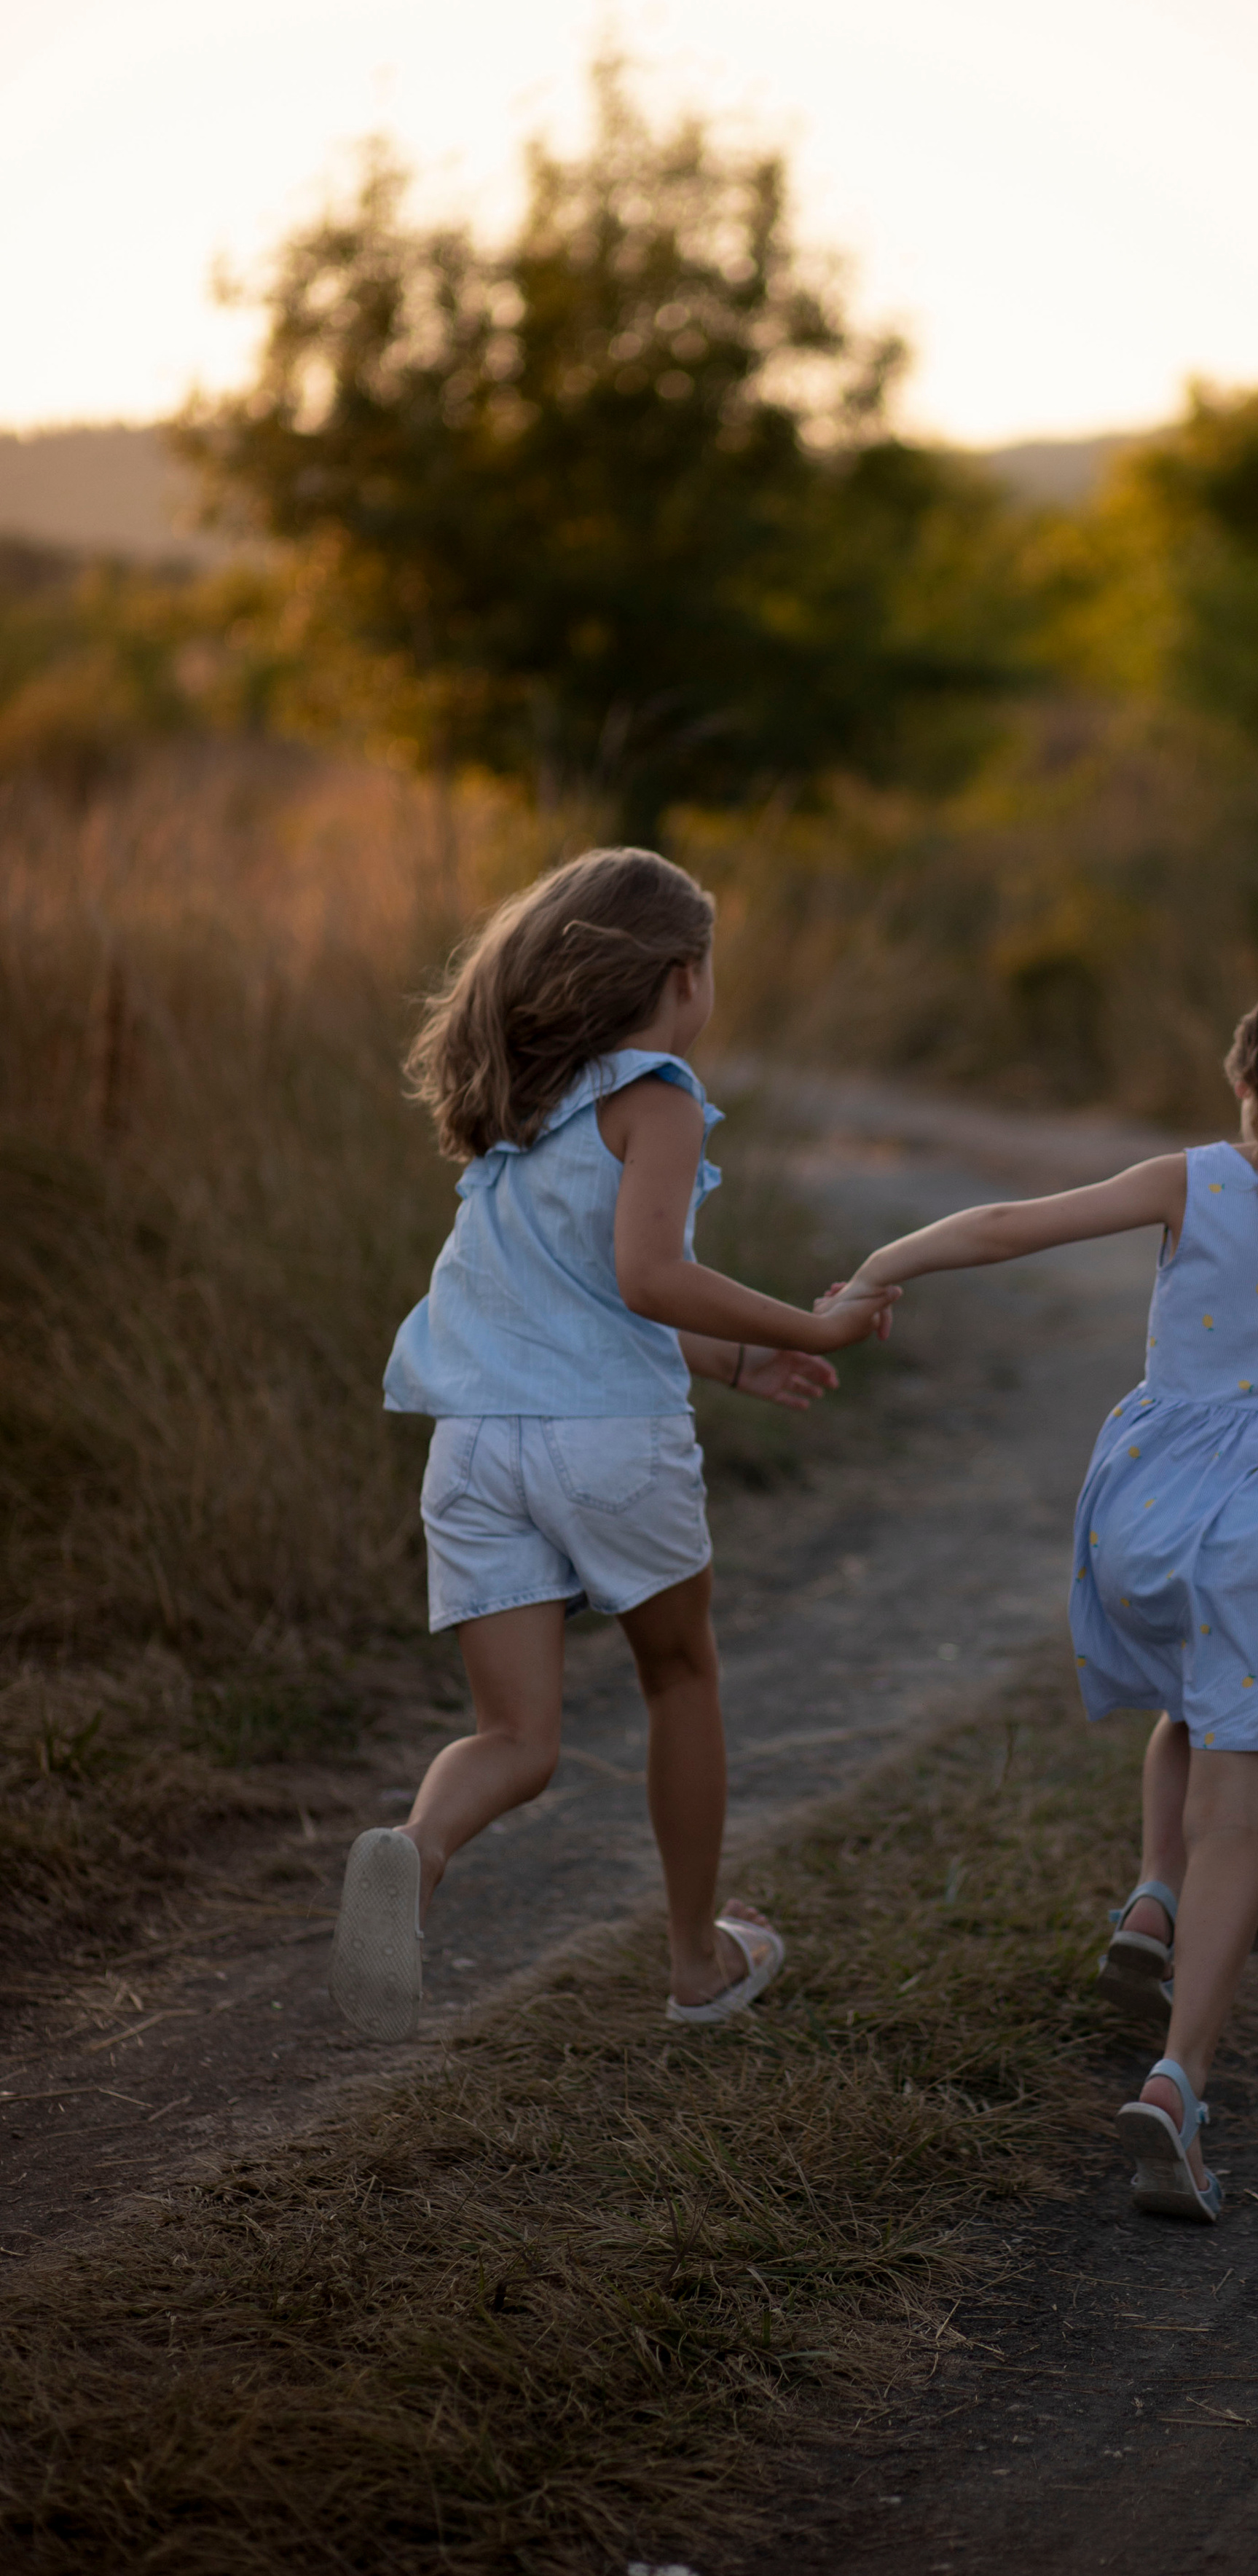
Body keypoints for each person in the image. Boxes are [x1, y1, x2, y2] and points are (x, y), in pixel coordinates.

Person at [830, 957, 1258, 2222]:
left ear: (1251, 1076)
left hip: (1151, 1508)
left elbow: (1005, 1225)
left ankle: (1152, 1888)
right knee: (1240, 1810)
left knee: (1187, 1703)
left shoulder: (1191, 1181)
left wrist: (881, 1263)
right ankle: (1179, 2081)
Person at [330, 848, 895, 2044]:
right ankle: (696, 1961)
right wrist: (814, 1320)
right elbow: (650, 1273)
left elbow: (578, 1297)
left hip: (475, 1445)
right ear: (681, 978)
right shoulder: (661, 1096)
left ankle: (414, 1848)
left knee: (513, 1738)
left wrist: (738, 1360)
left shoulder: (518, 1103)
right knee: (678, 1674)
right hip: (607, 1447)